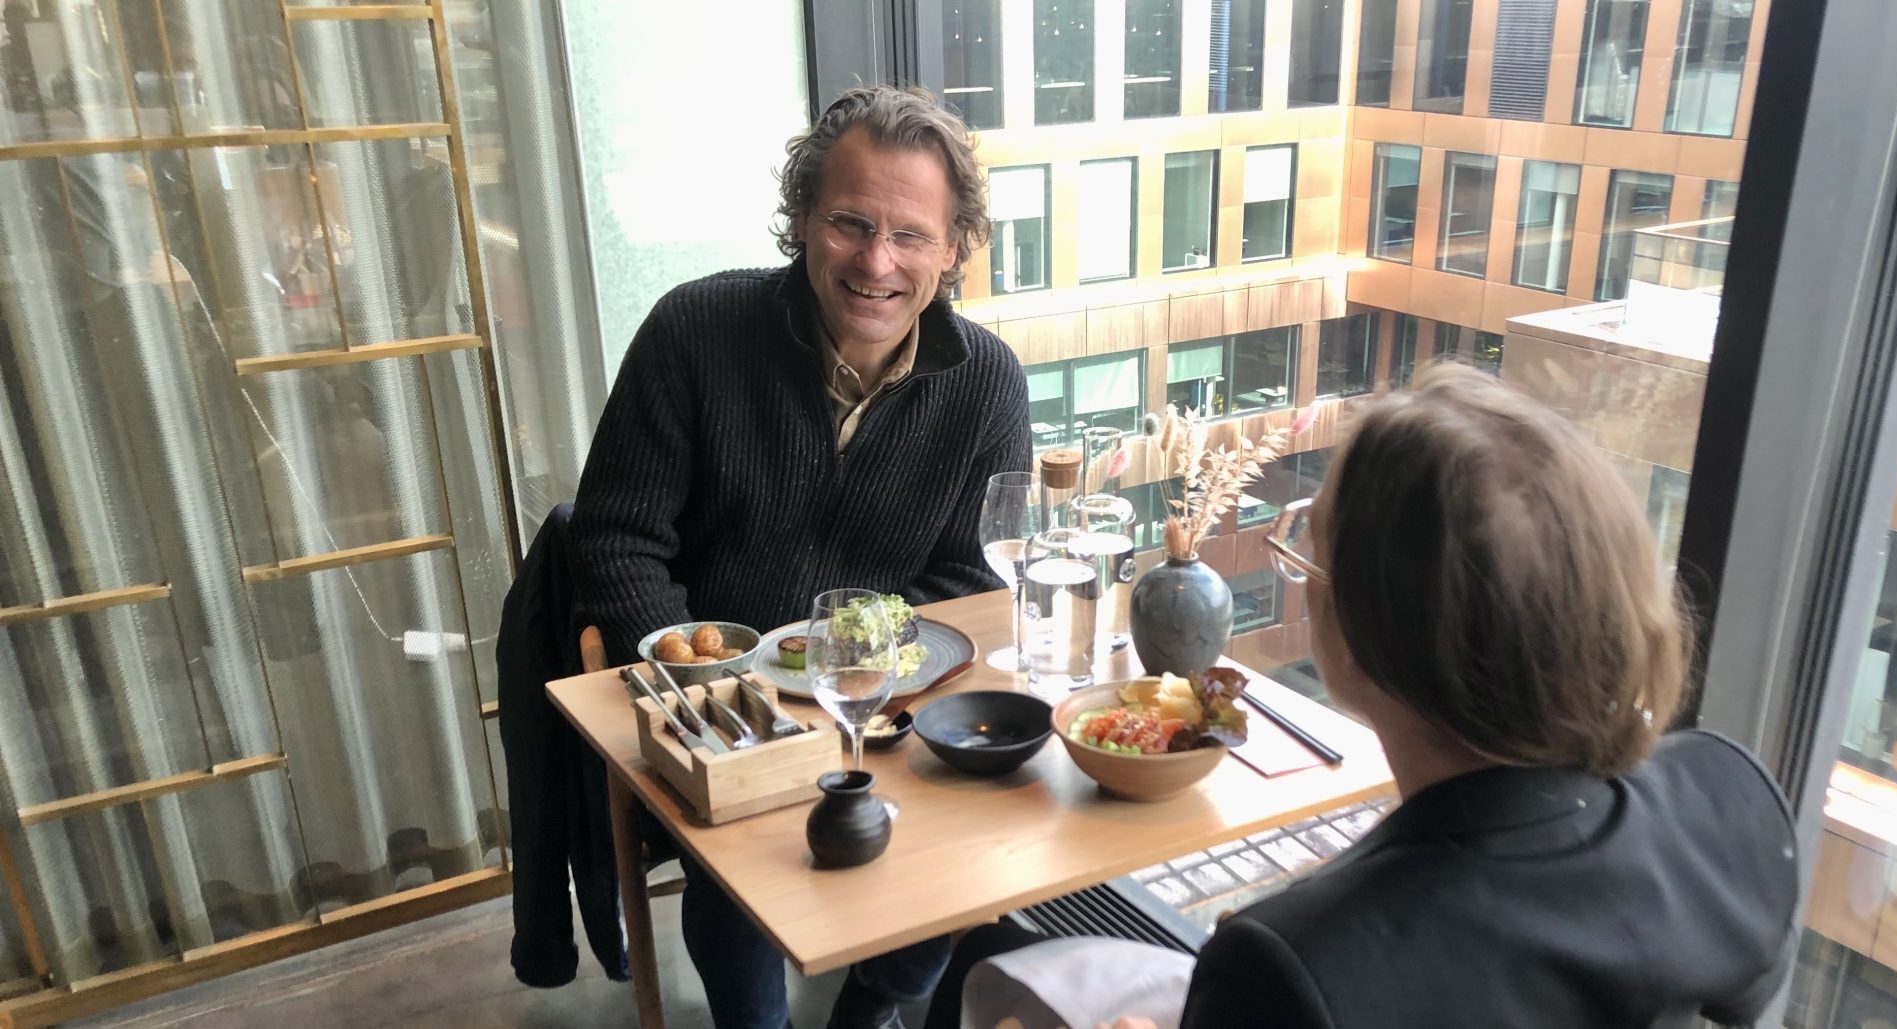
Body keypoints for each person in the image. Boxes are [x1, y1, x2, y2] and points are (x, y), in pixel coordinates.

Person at [928, 364, 1801, 1028]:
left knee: (986, 971)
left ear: (1357, 637)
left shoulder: (1293, 966)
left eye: (1314, 555)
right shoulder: (1728, 801)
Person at [570, 84, 1031, 1029]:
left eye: (910, 235)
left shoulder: (986, 382)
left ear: (952, 250)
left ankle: (872, 1009)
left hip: (883, 697)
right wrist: (715, 690)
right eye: (849, 223)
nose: (876, 261)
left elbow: (969, 575)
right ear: (803, 219)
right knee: (741, 848)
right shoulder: (694, 331)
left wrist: (864, 678)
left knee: (979, 823)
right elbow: (617, 540)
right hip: (722, 703)